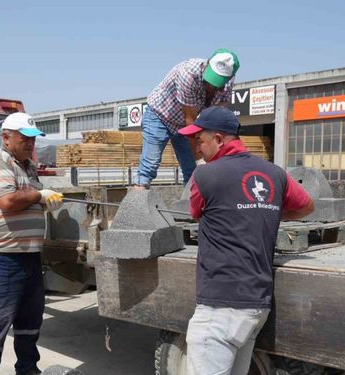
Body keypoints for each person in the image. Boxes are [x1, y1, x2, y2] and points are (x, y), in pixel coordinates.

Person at [178, 106, 315, 375]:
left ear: (218, 139)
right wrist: (268, 211)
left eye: (200, 141)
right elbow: (306, 206)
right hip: (256, 306)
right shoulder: (274, 173)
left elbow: (196, 215)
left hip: (220, 308)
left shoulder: (204, 176)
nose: (197, 150)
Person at [0, 112, 64, 375]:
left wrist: (45, 201)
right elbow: (8, 201)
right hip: (4, 259)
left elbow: (29, 199)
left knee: (30, 323)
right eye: (24, 139)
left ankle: (27, 370)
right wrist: (39, 194)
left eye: (33, 140)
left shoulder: (29, 166)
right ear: (6, 138)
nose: (30, 144)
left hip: (30, 257)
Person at [135, 48, 240, 189]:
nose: (211, 86)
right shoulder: (188, 73)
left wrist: (212, 157)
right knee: (150, 163)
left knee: (192, 171)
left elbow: (216, 118)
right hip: (160, 116)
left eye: (216, 83)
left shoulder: (228, 81)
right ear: (208, 64)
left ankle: (192, 202)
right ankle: (139, 193)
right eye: (210, 80)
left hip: (187, 123)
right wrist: (200, 159)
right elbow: (190, 120)